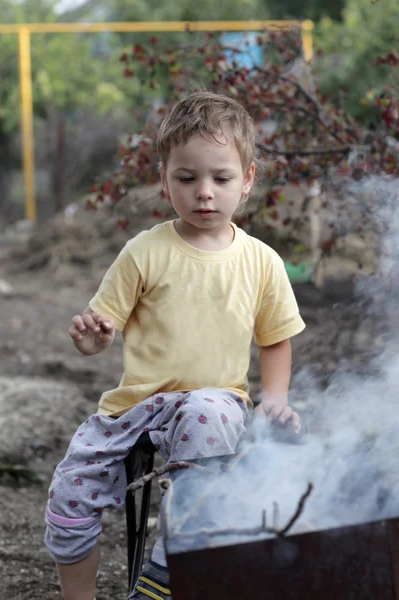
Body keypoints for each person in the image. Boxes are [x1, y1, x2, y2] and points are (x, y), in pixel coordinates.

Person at [45, 90, 305, 600]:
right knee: (69, 489)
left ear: (247, 180)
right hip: (137, 406)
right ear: (165, 181)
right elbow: (103, 330)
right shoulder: (143, 252)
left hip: (215, 402)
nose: (203, 193)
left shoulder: (262, 262)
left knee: (207, 412)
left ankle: (166, 571)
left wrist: (275, 399)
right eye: (186, 178)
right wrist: (93, 340)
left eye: (221, 178)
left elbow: (276, 340)